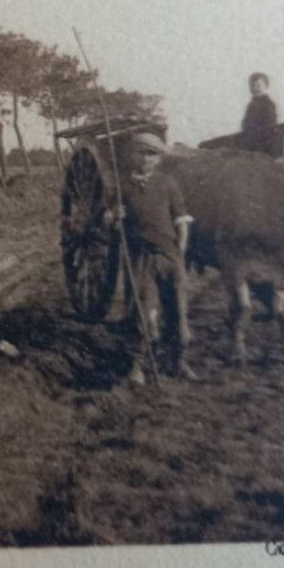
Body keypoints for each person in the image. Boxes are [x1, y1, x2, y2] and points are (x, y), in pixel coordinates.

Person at [110, 129, 195, 383]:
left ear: (158, 159)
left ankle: (178, 361)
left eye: (152, 154)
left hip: (169, 256)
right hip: (141, 259)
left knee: (177, 311)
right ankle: (137, 365)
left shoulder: (167, 183)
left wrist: (179, 252)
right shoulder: (122, 187)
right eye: (142, 153)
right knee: (141, 311)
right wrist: (115, 217)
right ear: (132, 155)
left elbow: (181, 221)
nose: (146, 159)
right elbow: (110, 225)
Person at [239, 72, 284, 158]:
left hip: (263, 146)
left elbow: (268, 128)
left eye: (258, 85)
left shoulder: (268, 104)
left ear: (266, 86)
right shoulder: (252, 104)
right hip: (251, 141)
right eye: (252, 85)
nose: (255, 88)